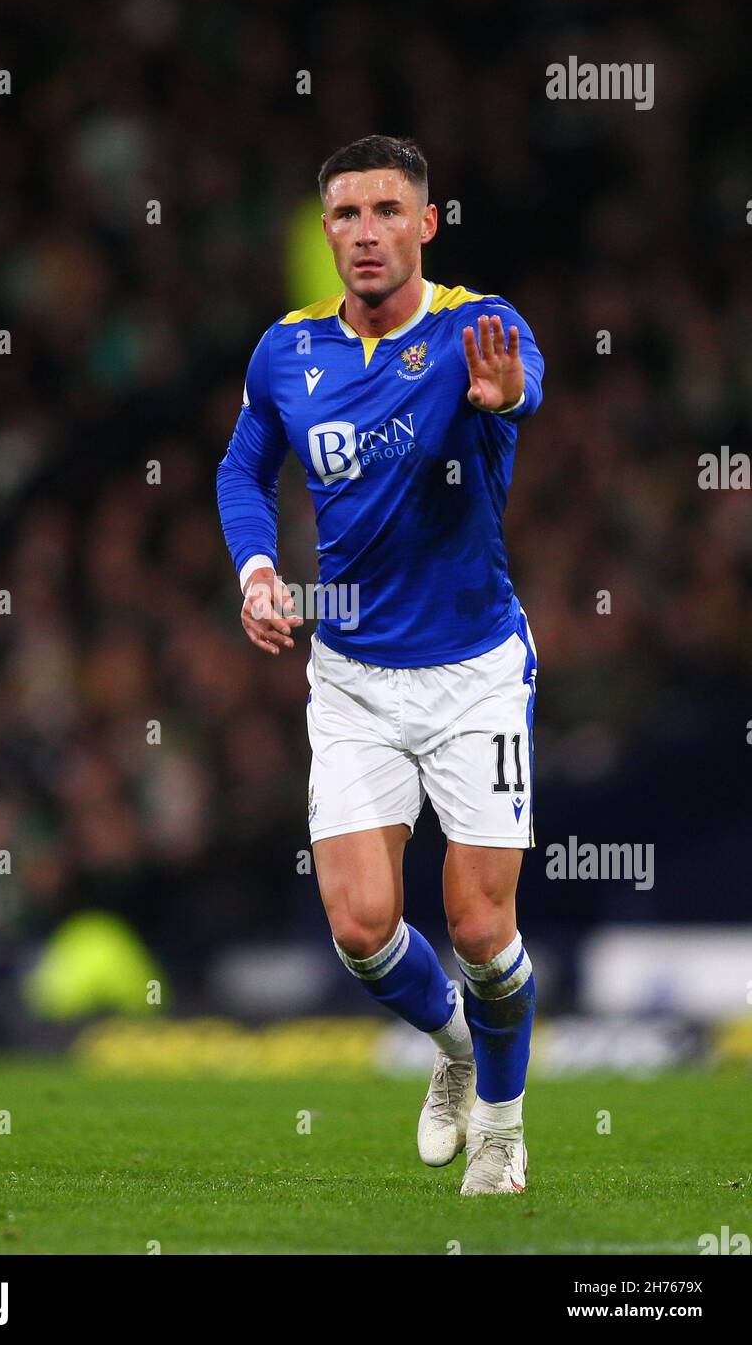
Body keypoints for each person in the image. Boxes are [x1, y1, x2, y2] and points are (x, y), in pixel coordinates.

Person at [217, 135, 544, 1194]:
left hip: (473, 669)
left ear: (426, 224)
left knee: (479, 926)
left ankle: (501, 1116)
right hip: (353, 670)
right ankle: (457, 1050)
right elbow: (242, 466)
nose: (366, 233)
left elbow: (523, 381)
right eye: (347, 215)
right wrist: (259, 569)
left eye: (387, 212)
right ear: (326, 231)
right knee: (360, 927)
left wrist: (503, 401)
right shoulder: (287, 352)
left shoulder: (475, 327)